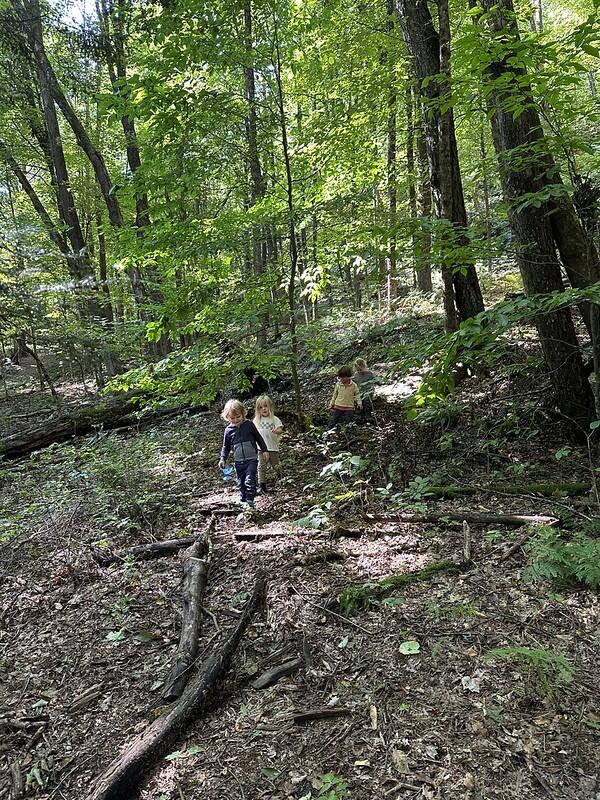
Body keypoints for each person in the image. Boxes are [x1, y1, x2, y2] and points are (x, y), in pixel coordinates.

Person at [219, 399, 268, 509]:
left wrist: (265, 450)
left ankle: (250, 500)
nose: (236, 420)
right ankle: (243, 500)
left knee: (249, 479)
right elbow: (225, 446)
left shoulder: (249, 425)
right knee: (241, 482)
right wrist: (223, 458)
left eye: (238, 417)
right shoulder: (228, 430)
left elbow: (258, 438)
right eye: (232, 418)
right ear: (227, 417)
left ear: (243, 414)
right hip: (238, 461)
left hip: (251, 458)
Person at [253, 394, 284, 494]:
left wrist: (277, 431)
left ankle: (282, 479)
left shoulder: (274, 419)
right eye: (261, 407)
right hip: (261, 448)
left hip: (272, 447)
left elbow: (280, 429)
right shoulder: (257, 420)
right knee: (261, 466)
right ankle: (262, 485)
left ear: (270, 406)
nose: (264, 409)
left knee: (275, 464)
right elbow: (253, 432)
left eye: (265, 406)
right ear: (258, 409)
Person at [353, 358, 378, 422]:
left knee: (367, 402)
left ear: (364, 366)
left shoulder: (369, 374)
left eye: (360, 369)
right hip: (360, 392)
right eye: (358, 370)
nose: (359, 371)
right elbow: (353, 382)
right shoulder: (356, 375)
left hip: (368, 392)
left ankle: (368, 416)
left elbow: (376, 380)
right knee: (360, 403)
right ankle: (361, 416)